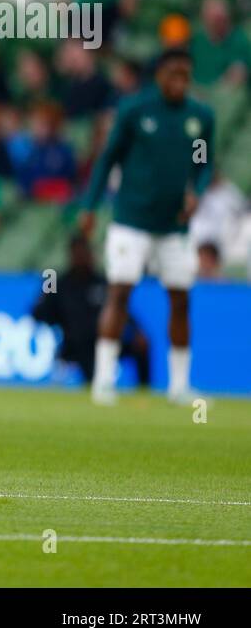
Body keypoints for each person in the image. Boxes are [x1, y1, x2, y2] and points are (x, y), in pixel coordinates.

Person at [79, 48, 214, 405]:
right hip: (131, 220)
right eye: (173, 75)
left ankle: (179, 385)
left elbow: (202, 162)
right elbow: (109, 157)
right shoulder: (135, 111)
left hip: (175, 226)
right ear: (159, 76)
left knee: (181, 300)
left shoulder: (199, 117)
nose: (179, 83)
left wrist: (196, 193)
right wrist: (90, 205)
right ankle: (104, 379)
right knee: (120, 292)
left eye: (185, 75)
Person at [32, 235, 149, 389]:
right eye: (78, 253)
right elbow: (40, 313)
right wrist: (46, 290)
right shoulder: (59, 283)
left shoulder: (102, 281)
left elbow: (122, 310)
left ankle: (144, 388)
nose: (82, 257)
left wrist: (135, 330)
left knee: (141, 345)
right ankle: (98, 386)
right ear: (71, 255)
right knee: (86, 353)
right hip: (74, 344)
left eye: (85, 253)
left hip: (103, 339)